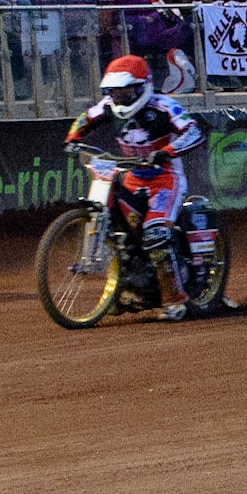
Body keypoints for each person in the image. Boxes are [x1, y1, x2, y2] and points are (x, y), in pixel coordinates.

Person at [64, 54, 205, 321]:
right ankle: (123, 290)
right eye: (115, 90)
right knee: (119, 231)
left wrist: (167, 151)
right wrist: (73, 139)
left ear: (142, 87)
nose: (120, 96)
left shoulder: (164, 106)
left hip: (165, 179)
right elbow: (84, 118)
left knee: (154, 235)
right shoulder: (108, 106)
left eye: (126, 90)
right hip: (131, 176)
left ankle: (175, 300)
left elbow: (194, 131)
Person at [114, 0, 191, 71]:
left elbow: (168, 4)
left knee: (195, 30)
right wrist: (149, 19)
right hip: (148, 33)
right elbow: (122, 17)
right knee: (190, 31)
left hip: (166, 28)